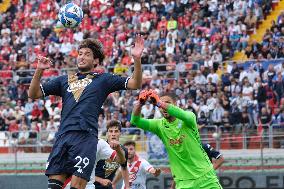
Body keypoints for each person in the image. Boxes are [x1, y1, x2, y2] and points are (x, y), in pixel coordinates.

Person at [28, 36, 144, 189]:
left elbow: (135, 83)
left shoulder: (104, 79)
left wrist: (136, 59)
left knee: (77, 186)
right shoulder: (64, 80)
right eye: (80, 53)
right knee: (53, 187)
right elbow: (33, 94)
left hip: (85, 137)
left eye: (87, 54)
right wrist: (39, 70)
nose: (82, 57)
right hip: (63, 136)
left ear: (95, 61)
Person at [130, 89, 223, 189]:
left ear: (176, 104)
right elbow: (135, 121)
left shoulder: (188, 118)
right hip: (183, 183)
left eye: (168, 103)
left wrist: (160, 103)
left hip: (206, 179)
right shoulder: (159, 125)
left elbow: (183, 115)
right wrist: (140, 103)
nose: (162, 107)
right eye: (160, 105)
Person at [94, 120, 130, 189]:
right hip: (91, 185)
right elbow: (86, 171)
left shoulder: (124, 150)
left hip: (108, 186)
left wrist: (127, 186)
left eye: (116, 131)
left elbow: (124, 168)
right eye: (110, 131)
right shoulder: (99, 147)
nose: (113, 134)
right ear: (107, 133)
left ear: (120, 133)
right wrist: (101, 180)